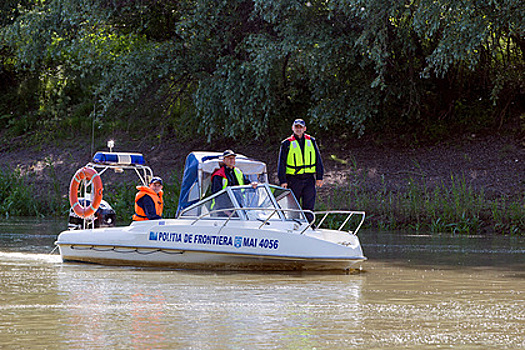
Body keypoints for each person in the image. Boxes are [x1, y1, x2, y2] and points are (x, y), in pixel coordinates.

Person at [277, 119, 324, 222]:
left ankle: (309, 225)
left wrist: (319, 177)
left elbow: (318, 159)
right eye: (296, 127)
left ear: (304, 129)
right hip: (293, 179)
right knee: (294, 206)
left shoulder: (311, 141)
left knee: (309, 205)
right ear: (293, 128)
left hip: (309, 179)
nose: (298, 129)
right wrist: (283, 180)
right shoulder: (286, 143)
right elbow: (281, 163)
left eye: (300, 127)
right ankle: (294, 226)